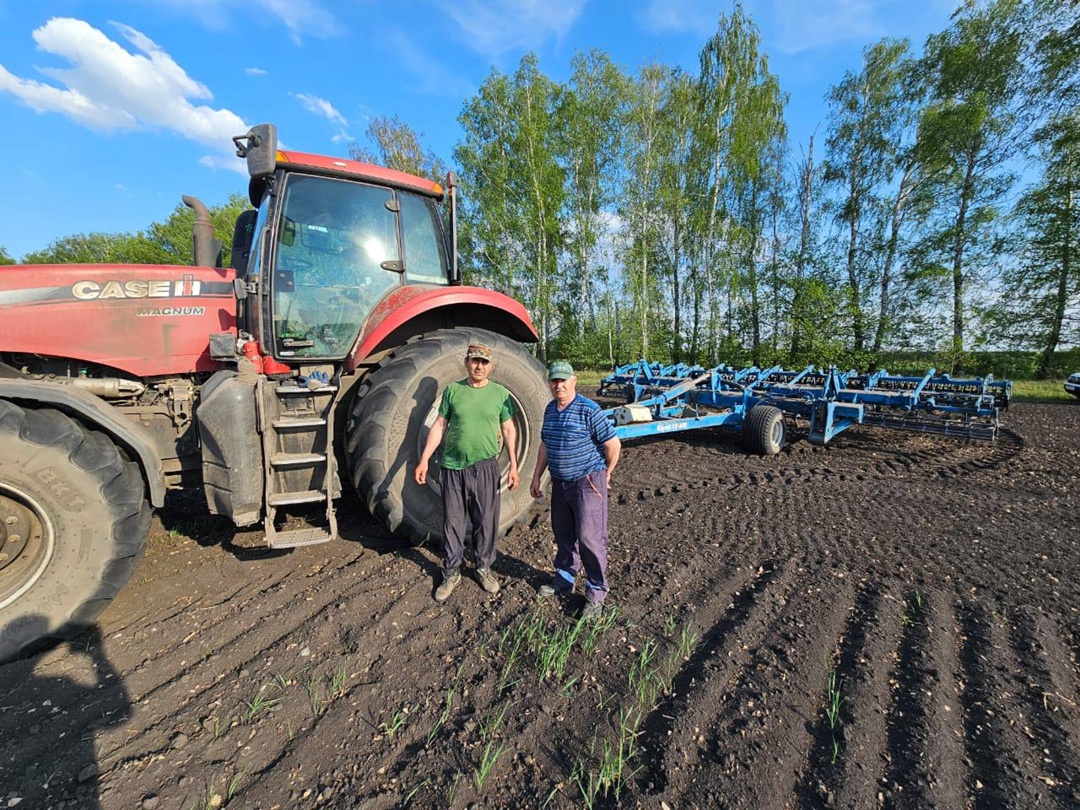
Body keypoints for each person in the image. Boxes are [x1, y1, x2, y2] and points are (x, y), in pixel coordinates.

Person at [416, 342, 520, 602]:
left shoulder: (500, 394)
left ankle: (483, 567)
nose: (479, 366)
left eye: (484, 362)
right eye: (475, 361)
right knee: (453, 521)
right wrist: (425, 459)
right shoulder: (453, 391)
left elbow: (509, 429)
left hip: (485, 467)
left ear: (490, 365)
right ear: (466, 362)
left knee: (486, 521)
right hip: (453, 467)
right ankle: (451, 571)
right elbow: (439, 426)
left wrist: (515, 466)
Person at [530, 360, 621, 620]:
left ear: (574, 381)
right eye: (554, 381)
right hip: (560, 482)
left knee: (590, 538)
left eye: (563, 381)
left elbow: (613, 444)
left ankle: (596, 592)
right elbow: (545, 445)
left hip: (587, 482)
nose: (558, 385)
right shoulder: (550, 409)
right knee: (564, 534)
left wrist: (607, 474)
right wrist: (537, 476)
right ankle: (565, 577)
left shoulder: (589, 410)